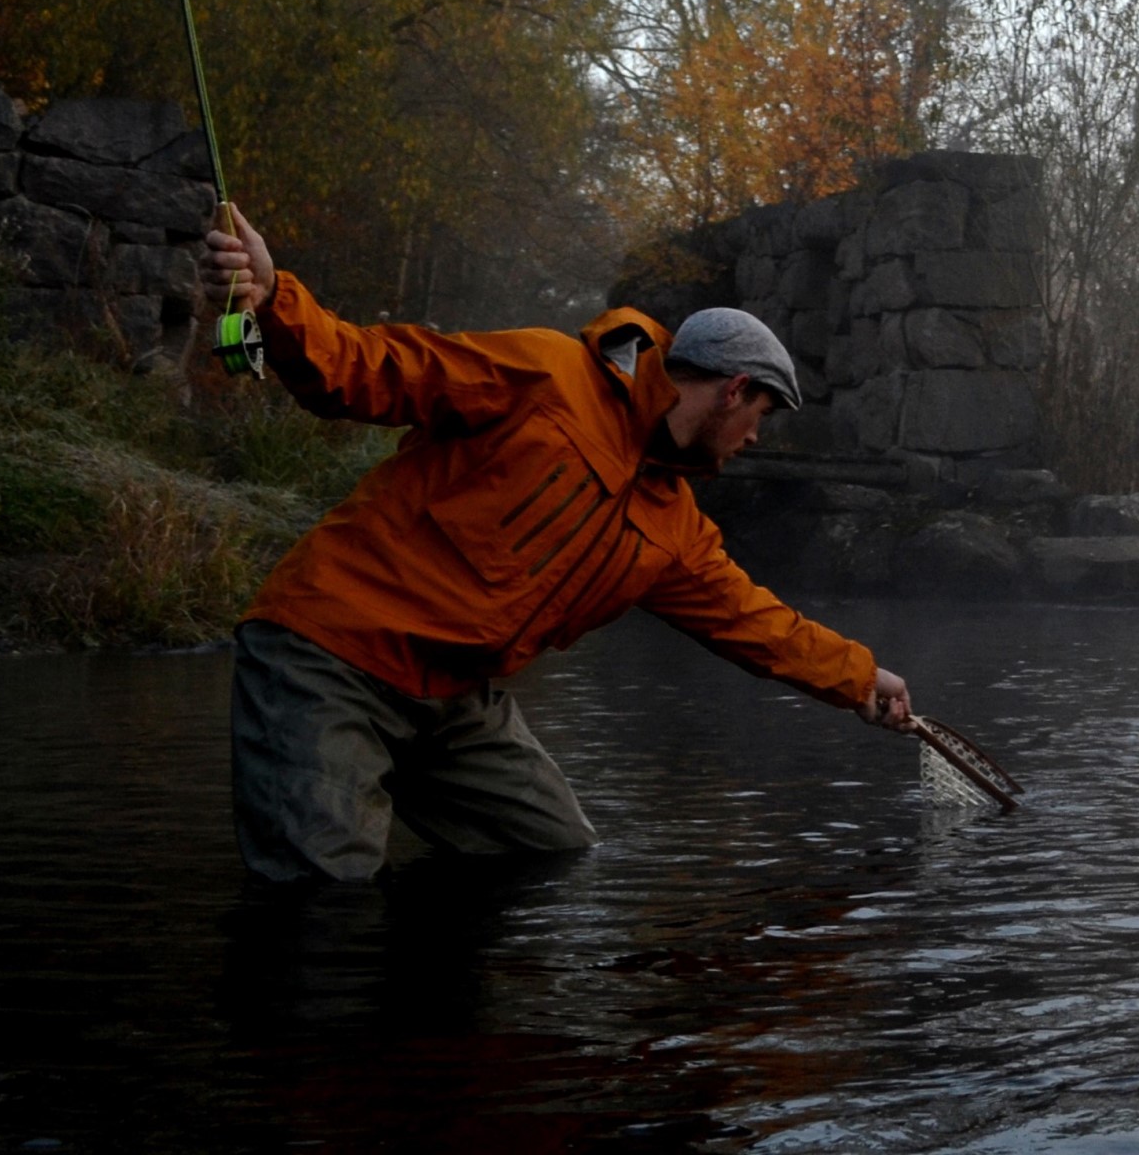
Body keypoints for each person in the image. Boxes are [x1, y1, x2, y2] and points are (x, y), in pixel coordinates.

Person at [197, 205, 913, 885]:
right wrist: (272, 298)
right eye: (759, 414)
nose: (755, 438)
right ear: (732, 390)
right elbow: (370, 368)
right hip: (331, 653)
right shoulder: (548, 373)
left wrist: (858, 678)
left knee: (554, 857)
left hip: (450, 698)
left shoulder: (676, 525)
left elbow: (757, 625)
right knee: (323, 900)